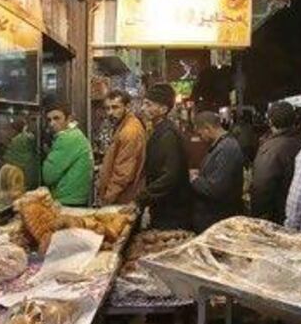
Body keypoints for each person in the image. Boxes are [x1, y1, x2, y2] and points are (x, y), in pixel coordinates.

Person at [136, 83, 191, 230]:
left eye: (148, 104)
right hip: (164, 207)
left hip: (172, 211)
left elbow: (170, 175)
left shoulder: (168, 135)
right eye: (143, 104)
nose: (143, 108)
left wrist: (143, 197)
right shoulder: (159, 130)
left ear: (163, 109)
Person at [250, 102, 301, 225]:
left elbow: (261, 186)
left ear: (270, 121)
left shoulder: (270, 149)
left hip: (277, 217)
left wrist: (258, 218)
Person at [190, 111, 244, 232]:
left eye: (200, 134)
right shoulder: (221, 145)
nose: (200, 138)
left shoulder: (227, 148)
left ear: (207, 128)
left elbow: (216, 189)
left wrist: (194, 179)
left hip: (218, 221)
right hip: (213, 219)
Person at [97, 90, 147, 205]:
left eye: (115, 107)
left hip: (123, 199)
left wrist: (108, 197)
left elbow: (123, 172)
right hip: (121, 196)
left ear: (127, 107)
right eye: (107, 108)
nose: (110, 112)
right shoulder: (124, 125)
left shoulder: (130, 131)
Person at [41, 102, 93, 206]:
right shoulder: (76, 134)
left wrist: (48, 155)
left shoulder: (67, 138)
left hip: (68, 200)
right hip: (77, 197)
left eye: (57, 118)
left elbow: (48, 175)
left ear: (69, 119)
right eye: (49, 120)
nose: (52, 123)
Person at [2, 121, 39, 190]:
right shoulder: (31, 140)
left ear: (13, 130)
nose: (3, 132)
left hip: (18, 179)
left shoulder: (18, 141)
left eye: (6, 129)